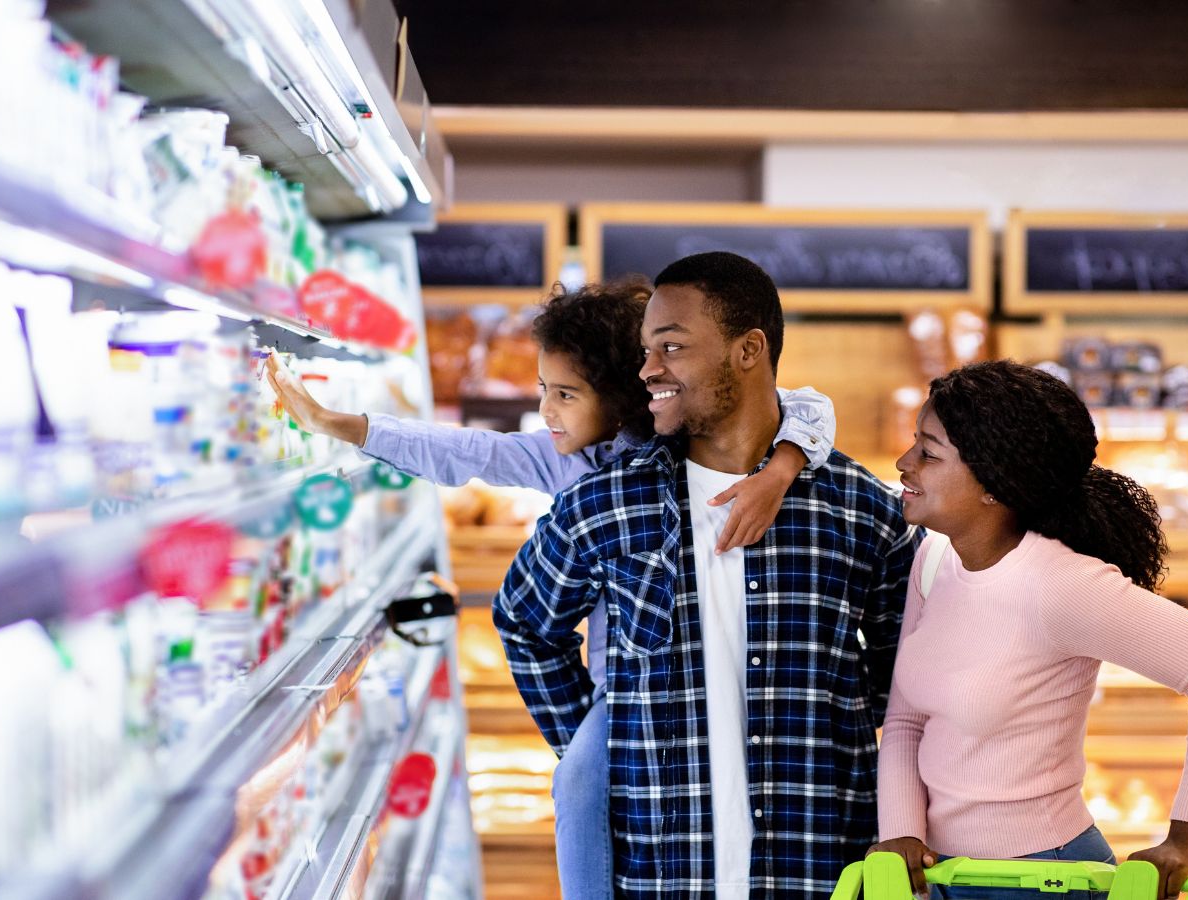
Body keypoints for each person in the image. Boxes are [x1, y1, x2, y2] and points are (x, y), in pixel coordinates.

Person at [265, 277, 839, 900]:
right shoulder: (568, 463)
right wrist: (337, 424)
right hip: (625, 691)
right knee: (581, 779)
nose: (547, 411)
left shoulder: (693, 439)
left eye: (565, 394)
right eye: (544, 390)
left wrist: (782, 469)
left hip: (732, 672)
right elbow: (467, 452)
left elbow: (807, 406)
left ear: (624, 398)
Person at [493, 251, 919, 900]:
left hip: (819, 870)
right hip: (661, 876)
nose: (647, 370)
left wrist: (828, 720)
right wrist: (601, 746)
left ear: (748, 351)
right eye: (645, 349)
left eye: (672, 347)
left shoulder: (862, 512)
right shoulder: (607, 504)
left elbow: (905, 672)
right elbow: (524, 622)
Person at [870, 360, 1188, 900]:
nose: (904, 463)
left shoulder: (1060, 585)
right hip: (942, 877)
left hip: (1041, 878)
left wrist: (1187, 841)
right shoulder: (935, 560)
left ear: (994, 484)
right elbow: (906, 720)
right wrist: (901, 835)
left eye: (929, 453)